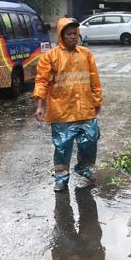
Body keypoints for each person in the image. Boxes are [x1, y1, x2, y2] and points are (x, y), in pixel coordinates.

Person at [34, 17, 102, 192]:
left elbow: (94, 80)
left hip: (85, 109)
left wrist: (97, 101)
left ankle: (84, 167)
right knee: (62, 148)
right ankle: (61, 178)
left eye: (75, 33)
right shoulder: (50, 57)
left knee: (90, 141)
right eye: (69, 34)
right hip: (61, 111)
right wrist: (40, 106)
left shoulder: (86, 54)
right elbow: (42, 82)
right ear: (61, 36)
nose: (73, 37)